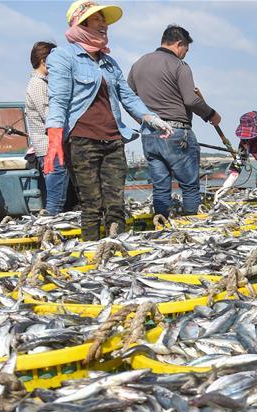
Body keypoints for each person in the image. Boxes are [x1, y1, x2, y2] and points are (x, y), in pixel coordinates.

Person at [45, 1, 173, 241]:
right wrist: (54, 138)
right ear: (81, 24)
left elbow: (128, 96)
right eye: (98, 19)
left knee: (115, 204)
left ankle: (116, 253)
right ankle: (92, 253)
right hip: (82, 142)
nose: (104, 25)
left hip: (114, 140)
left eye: (104, 20)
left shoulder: (109, 63)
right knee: (91, 205)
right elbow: (58, 100)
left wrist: (152, 119)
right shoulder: (63, 56)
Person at [127, 24, 221, 217]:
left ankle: (161, 223)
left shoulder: (138, 64)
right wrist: (211, 114)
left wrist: (144, 121)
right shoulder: (179, 65)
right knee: (189, 186)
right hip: (177, 133)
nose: (186, 54)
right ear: (180, 44)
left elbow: (129, 99)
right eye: (186, 49)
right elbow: (191, 99)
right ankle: (191, 224)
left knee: (160, 187)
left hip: (150, 135)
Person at [25, 41, 73, 214]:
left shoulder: (42, 83)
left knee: (61, 201)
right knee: (56, 202)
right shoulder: (38, 85)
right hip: (50, 150)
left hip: (50, 150)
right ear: (45, 61)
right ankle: (48, 233)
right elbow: (51, 118)